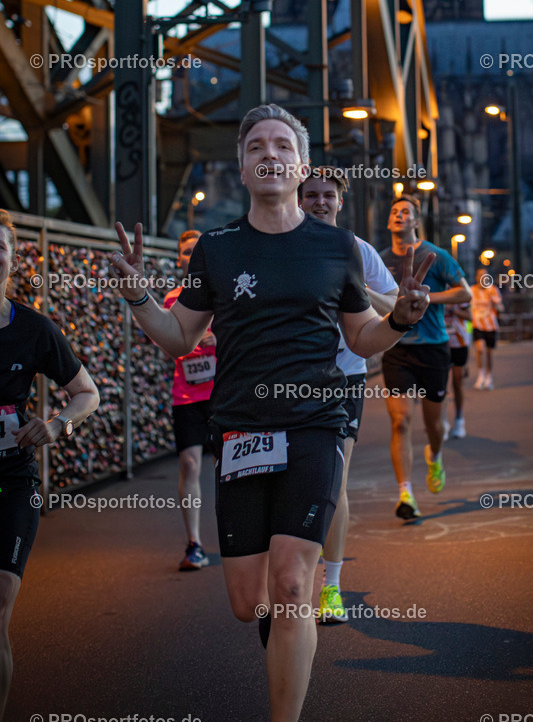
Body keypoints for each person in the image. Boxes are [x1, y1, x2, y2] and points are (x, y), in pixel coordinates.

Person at [109, 104, 433, 722]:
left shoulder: (336, 245)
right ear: (241, 165)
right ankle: (288, 635)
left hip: (317, 421)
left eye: (282, 144)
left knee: (291, 584)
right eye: (255, 145)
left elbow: (363, 336)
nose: (269, 153)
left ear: (301, 164)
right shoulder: (217, 248)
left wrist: (400, 320)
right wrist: (137, 295)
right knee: (247, 601)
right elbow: (179, 335)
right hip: (241, 432)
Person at [0, 209, 99, 721]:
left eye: (0, 246)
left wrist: (57, 425)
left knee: (0, 603)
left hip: (13, 483)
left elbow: (87, 392)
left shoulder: (33, 328)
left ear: (13, 259)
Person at [299, 166, 398, 624]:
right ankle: (292, 574)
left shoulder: (358, 250)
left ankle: (331, 586)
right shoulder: (283, 245)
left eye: (328, 195)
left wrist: (357, 289)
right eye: (311, 194)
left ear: (341, 201)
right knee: (294, 481)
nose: (320, 202)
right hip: (292, 378)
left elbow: (396, 309)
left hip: (344, 376)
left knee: (334, 479)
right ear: (299, 199)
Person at [380, 195, 471, 519]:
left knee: (436, 427)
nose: (399, 216)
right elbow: (370, 299)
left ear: (416, 221)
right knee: (401, 421)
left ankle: (435, 455)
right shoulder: (380, 259)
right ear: (389, 221)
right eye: (395, 212)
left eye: (406, 212)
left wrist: (427, 298)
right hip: (397, 348)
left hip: (433, 346)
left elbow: (465, 292)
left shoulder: (436, 255)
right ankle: (406, 494)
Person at [163, 230, 217, 570]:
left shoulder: (225, 293)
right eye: (186, 251)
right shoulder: (173, 298)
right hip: (187, 395)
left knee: (229, 467)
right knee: (190, 465)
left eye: (197, 250)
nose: (191, 255)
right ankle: (194, 543)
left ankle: (240, 537)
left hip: (223, 394)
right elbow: (171, 341)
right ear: (180, 258)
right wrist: (201, 340)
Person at [443, 300, 472, 438]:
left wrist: (452, 309)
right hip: (439, 342)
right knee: (440, 383)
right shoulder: (433, 288)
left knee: (457, 382)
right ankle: (441, 420)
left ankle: (459, 420)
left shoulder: (458, 289)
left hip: (458, 342)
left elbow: (470, 316)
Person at [471, 268, 503, 390]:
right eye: (480, 275)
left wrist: (498, 305)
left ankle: (489, 377)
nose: (482, 277)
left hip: (491, 325)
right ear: (476, 277)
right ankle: (481, 375)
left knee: (489, 353)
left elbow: (498, 304)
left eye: (485, 275)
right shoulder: (472, 290)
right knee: (480, 349)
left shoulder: (493, 289)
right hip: (477, 324)